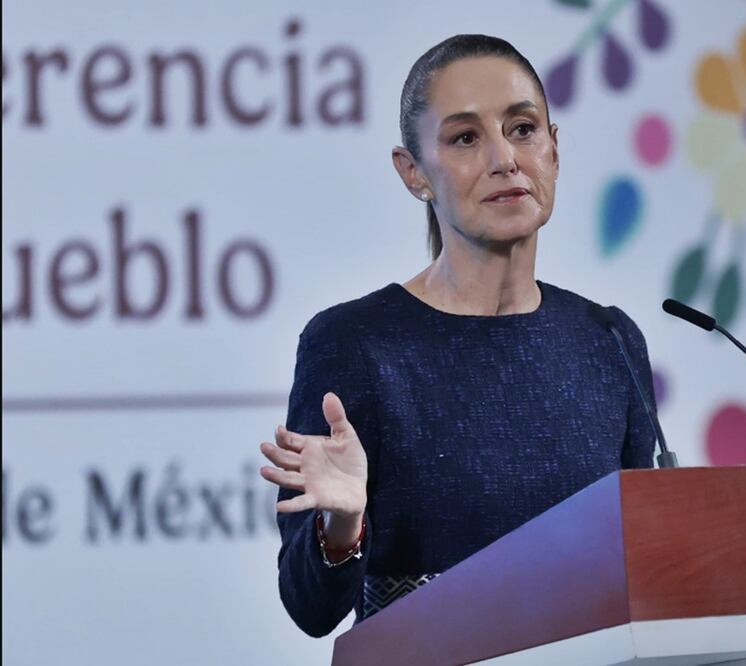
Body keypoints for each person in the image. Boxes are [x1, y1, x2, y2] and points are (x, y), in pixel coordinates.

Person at [258, 34, 658, 638]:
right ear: (413, 172)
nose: (506, 159)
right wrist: (342, 527)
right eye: (466, 138)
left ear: (554, 148)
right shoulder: (355, 344)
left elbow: (648, 566)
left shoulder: (609, 340)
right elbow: (309, 609)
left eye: (523, 129)